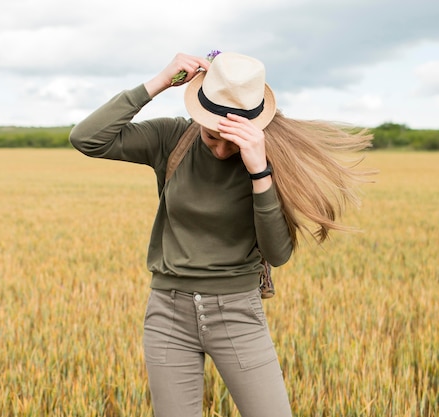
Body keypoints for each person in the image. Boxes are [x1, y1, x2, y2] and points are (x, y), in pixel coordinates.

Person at [69, 51, 373, 417]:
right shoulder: (171, 139)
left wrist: (260, 171)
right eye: (214, 136)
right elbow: (87, 138)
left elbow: (277, 253)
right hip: (168, 313)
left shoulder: (266, 158)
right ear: (199, 115)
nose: (222, 149)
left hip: (237, 315)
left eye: (234, 140)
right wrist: (159, 82)